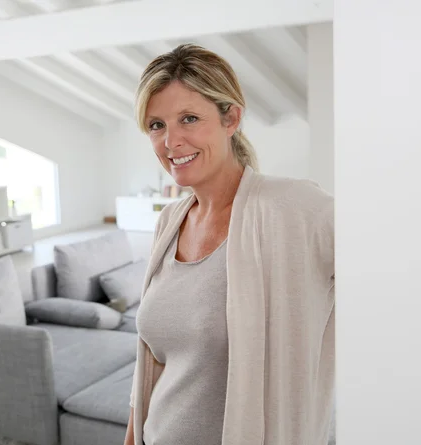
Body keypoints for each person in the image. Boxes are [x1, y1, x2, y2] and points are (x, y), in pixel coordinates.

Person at [123, 43, 335, 445]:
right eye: (156, 125)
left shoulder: (295, 208)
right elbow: (150, 364)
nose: (171, 142)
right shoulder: (170, 221)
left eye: (189, 119)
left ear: (231, 118)